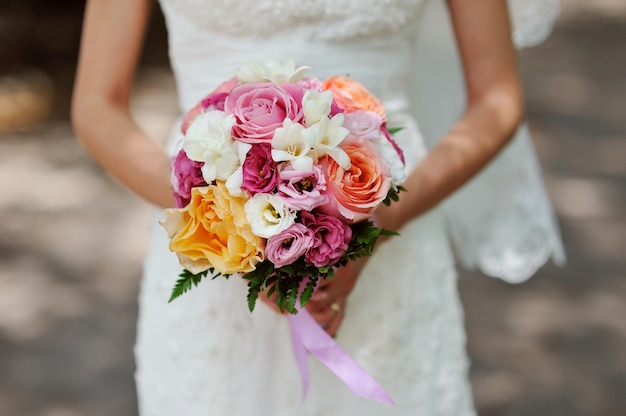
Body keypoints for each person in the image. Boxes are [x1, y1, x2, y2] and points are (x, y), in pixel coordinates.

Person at [71, 0, 563, 414]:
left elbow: (498, 98)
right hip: (212, 249)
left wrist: (380, 220)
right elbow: (96, 104)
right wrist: (221, 215)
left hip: (395, 231)